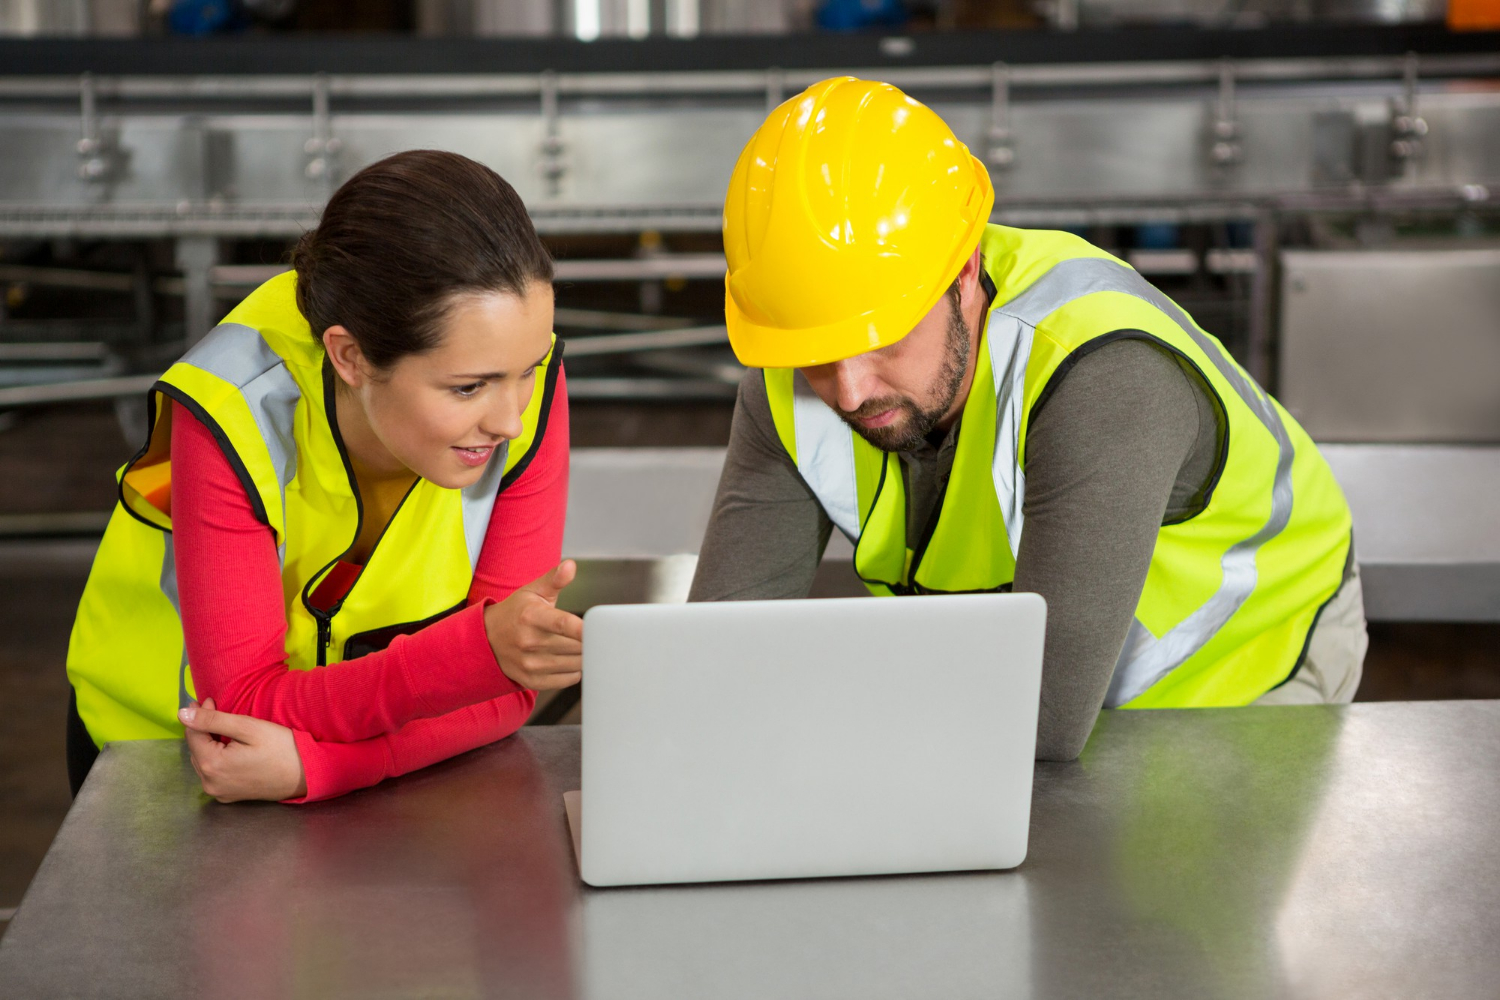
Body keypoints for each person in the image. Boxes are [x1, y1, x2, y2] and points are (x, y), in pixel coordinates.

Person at [690, 77, 1367, 760]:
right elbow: (718, 658)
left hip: (1248, 682)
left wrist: (794, 694)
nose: (848, 391)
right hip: (1021, 703)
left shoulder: (1100, 372)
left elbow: (1039, 720)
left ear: (963, 271)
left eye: (884, 338)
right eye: (816, 353)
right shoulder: (789, 374)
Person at [65, 150, 584, 802]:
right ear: (350, 356)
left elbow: (506, 693)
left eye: (528, 370)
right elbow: (245, 709)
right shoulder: (231, 411)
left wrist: (329, 766)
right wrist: (475, 658)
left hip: (329, 759)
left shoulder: (518, 373)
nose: (512, 417)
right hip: (155, 763)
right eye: (468, 387)